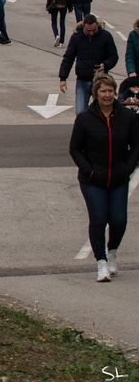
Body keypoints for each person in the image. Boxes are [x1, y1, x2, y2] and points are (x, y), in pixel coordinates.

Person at [69, 73, 139, 282]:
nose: (107, 95)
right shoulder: (85, 119)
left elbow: (136, 146)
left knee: (119, 220)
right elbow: (75, 149)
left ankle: (112, 252)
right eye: (103, 91)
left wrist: (127, 168)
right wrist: (89, 170)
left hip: (118, 177)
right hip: (92, 180)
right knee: (98, 219)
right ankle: (101, 263)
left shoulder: (127, 117)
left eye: (110, 91)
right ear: (96, 94)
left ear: (115, 93)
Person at [60, 14, 119, 116]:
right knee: (80, 112)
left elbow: (114, 56)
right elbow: (68, 58)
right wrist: (63, 77)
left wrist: (105, 65)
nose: (91, 33)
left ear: (97, 25)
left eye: (94, 30)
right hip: (82, 80)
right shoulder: (77, 37)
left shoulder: (106, 36)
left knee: (104, 111)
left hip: (100, 81)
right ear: (84, 26)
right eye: (88, 31)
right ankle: (83, 131)